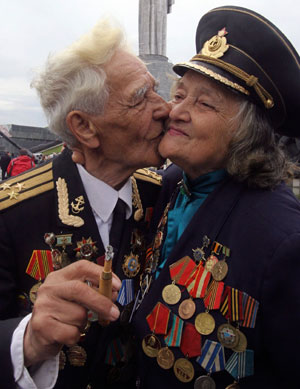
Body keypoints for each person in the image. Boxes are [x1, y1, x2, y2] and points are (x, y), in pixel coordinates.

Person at [132, 6, 300, 388]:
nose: (177, 111)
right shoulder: (172, 182)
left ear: (247, 132)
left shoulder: (285, 239)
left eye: (204, 103)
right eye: (179, 95)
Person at [0, 18, 169, 389]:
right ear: (86, 128)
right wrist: (26, 341)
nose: (165, 109)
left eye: (157, 92)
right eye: (142, 97)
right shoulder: (11, 215)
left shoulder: (163, 195)